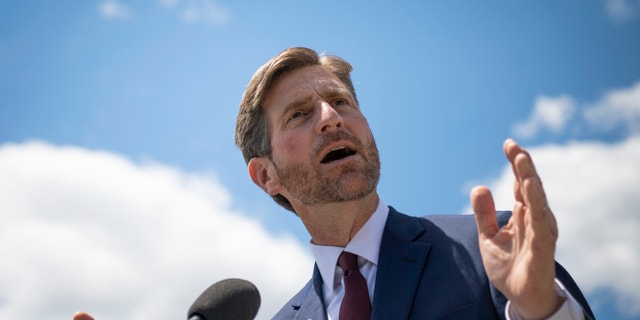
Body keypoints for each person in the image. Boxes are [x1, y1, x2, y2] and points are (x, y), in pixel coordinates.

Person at [234, 47, 594, 319]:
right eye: (299, 114)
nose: (331, 119)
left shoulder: (489, 251)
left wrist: (543, 309)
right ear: (266, 175)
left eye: (341, 102)